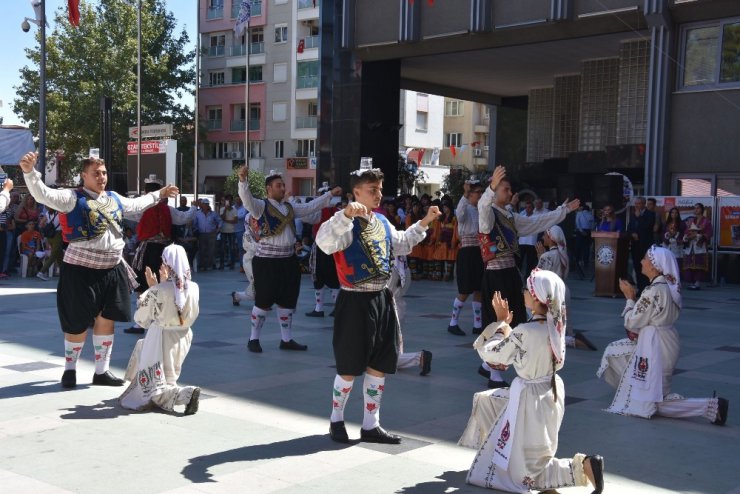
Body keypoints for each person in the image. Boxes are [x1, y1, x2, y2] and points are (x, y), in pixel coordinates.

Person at [18, 151, 178, 388]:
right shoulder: (70, 198)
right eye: (96, 173)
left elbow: (137, 204)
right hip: (79, 270)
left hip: (111, 269)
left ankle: (101, 372)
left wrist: (159, 194)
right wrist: (30, 172)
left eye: (103, 173)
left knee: (107, 320)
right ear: (84, 176)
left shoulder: (114, 198)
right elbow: (43, 194)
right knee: (76, 322)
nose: (102, 177)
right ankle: (70, 370)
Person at [315, 160, 440, 444]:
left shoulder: (382, 221)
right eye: (373, 189)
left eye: (380, 189)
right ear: (356, 193)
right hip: (354, 302)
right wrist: (344, 215)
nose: (379, 194)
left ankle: (371, 424)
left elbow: (402, 243)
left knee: (378, 365)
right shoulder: (342, 224)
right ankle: (336, 421)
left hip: (382, 299)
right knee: (348, 367)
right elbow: (323, 242)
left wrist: (424, 222)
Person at [464, 269, 605, 494]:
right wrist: (509, 331)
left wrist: (500, 324)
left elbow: (493, 354)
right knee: (537, 454)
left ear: (537, 297)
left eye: (528, 289)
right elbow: (526, 347)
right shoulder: (555, 327)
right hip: (551, 390)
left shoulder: (525, 332)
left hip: (529, 398)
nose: (524, 293)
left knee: (524, 469)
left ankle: (583, 466)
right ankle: (569, 476)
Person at [597, 246, 728, 425]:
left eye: (645, 259)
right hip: (666, 340)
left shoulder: (653, 291)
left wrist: (629, 298)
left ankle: (710, 407)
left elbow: (632, 321)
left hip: (654, 344)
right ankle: (709, 407)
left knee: (653, 402)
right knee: (613, 352)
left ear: (655, 266)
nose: (641, 262)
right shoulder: (667, 287)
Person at [478, 165, 579, 387]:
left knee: (514, 320)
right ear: (494, 191)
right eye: (505, 188)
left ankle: (488, 366)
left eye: (508, 188)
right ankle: (494, 374)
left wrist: (564, 211)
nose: (510, 192)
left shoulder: (511, 216)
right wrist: (491, 187)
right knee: (498, 321)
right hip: (495, 275)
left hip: (511, 273)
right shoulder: (488, 215)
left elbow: (537, 223)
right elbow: (483, 206)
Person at [238, 167, 342, 353]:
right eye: (279, 185)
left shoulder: (290, 208)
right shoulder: (260, 206)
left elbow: (311, 207)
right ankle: (253, 339)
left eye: (283, 185)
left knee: (287, 302)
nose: (282, 188)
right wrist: (243, 181)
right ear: (269, 189)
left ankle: (286, 339)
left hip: (288, 261)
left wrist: (329, 195)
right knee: (263, 302)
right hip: (266, 262)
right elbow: (246, 200)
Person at [119, 244, 201, 415]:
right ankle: (181, 394)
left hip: (161, 336)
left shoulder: (158, 290)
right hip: (184, 335)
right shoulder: (193, 287)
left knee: (155, 385)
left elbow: (141, 319)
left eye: (164, 261)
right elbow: (176, 297)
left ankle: (185, 394)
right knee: (170, 374)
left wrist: (151, 289)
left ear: (168, 264)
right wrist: (159, 286)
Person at [126, 176, 197, 334]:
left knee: (142, 284)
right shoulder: (168, 210)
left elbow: (126, 211)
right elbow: (184, 218)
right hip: (165, 251)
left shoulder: (142, 207)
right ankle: (161, 317)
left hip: (148, 248)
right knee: (164, 284)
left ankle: (141, 322)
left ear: (146, 192)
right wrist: (193, 208)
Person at [535, 226, 596, 351]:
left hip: (552, 292)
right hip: (564, 289)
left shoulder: (547, 256)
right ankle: (572, 336)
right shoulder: (563, 253)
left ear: (551, 238)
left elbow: (539, 275)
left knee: (547, 328)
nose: (542, 237)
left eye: (545, 235)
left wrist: (540, 256)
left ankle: (572, 341)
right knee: (565, 324)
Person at [447, 178, 484, 336]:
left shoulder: (479, 209)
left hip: (479, 252)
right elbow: (459, 214)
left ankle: (478, 324)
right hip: (467, 252)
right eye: (478, 193)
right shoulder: (465, 207)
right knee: (465, 289)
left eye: (481, 192)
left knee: (479, 289)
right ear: (470, 194)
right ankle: (453, 322)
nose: (480, 195)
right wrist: (465, 193)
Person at [390, 255, 432, 376]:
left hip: (387, 308)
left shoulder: (389, 268)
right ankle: (417, 358)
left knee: (378, 359)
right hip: (399, 306)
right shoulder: (403, 266)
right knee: (394, 346)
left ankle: (419, 358)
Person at [306, 186, 341, 318]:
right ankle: (336, 307)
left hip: (321, 246)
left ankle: (319, 308)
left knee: (318, 275)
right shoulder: (338, 211)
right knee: (332, 277)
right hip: (334, 247)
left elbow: (306, 215)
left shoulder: (321, 212)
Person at [626, 197, 657, 292]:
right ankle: (640, 288)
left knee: (645, 267)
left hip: (645, 245)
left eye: (638, 203)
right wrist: (632, 233)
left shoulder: (650, 214)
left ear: (644, 204)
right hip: (635, 245)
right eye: (635, 204)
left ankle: (647, 288)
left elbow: (646, 227)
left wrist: (639, 217)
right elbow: (629, 227)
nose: (636, 206)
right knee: (637, 267)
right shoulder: (633, 215)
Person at [682, 203, 712, 290]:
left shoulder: (706, 221)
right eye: (695, 208)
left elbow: (709, 233)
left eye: (698, 208)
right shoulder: (691, 221)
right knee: (690, 264)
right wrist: (686, 237)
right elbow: (686, 232)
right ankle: (692, 282)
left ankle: (697, 283)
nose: (696, 210)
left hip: (699, 246)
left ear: (702, 210)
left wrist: (697, 236)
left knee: (699, 265)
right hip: (690, 246)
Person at [193, 198, 221, 271]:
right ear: (201, 205)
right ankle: (202, 265)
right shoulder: (197, 213)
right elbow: (194, 223)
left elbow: (220, 221)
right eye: (204, 204)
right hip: (201, 234)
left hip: (211, 234)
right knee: (202, 250)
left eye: (207, 204)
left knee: (211, 250)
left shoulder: (213, 213)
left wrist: (218, 229)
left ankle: (210, 265)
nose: (206, 205)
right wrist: (196, 230)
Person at [36, 207, 64, 280]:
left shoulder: (47, 213)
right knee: (54, 255)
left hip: (50, 236)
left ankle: (63, 272)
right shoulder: (60, 212)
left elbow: (41, 224)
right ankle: (41, 272)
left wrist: (46, 228)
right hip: (58, 235)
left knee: (59, 255)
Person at [573, 204, 594, 276]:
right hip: (588, 231)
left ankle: (577, 260)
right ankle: (586, 262)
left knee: (578, 247)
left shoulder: (579, 213)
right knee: (587, 247)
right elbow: (592, 224)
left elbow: (577, 222)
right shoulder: (591, 214)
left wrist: (581, 231)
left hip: (580, 231)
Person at [219, 194, 238, 270]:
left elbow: (235, 221)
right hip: (223, 231)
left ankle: (232, 264)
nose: (229, 201)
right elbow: (222, 217)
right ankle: (221, 264)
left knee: (232, 248)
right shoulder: (222, 209)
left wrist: (226, 220)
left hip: (232, 231)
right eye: (227, 200)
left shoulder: (235, 210)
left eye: (230, 200)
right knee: (222, 248)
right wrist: (225, 209)